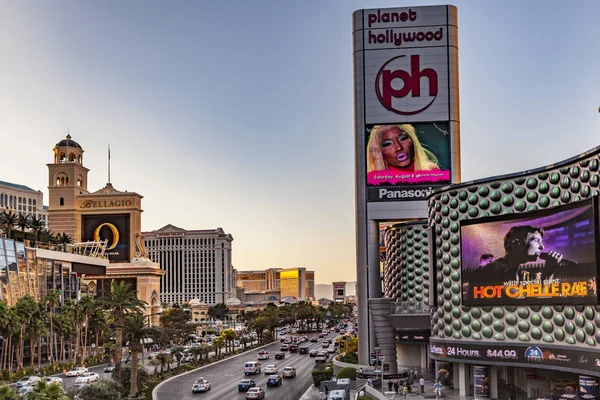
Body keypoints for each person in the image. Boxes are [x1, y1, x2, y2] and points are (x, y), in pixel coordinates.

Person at [366, 124, 447, 186]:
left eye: (403, 138)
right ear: (379, 152)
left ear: (413, 140)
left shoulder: (433, 173)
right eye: (388, 144)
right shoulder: (373, 182)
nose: (398, 148)